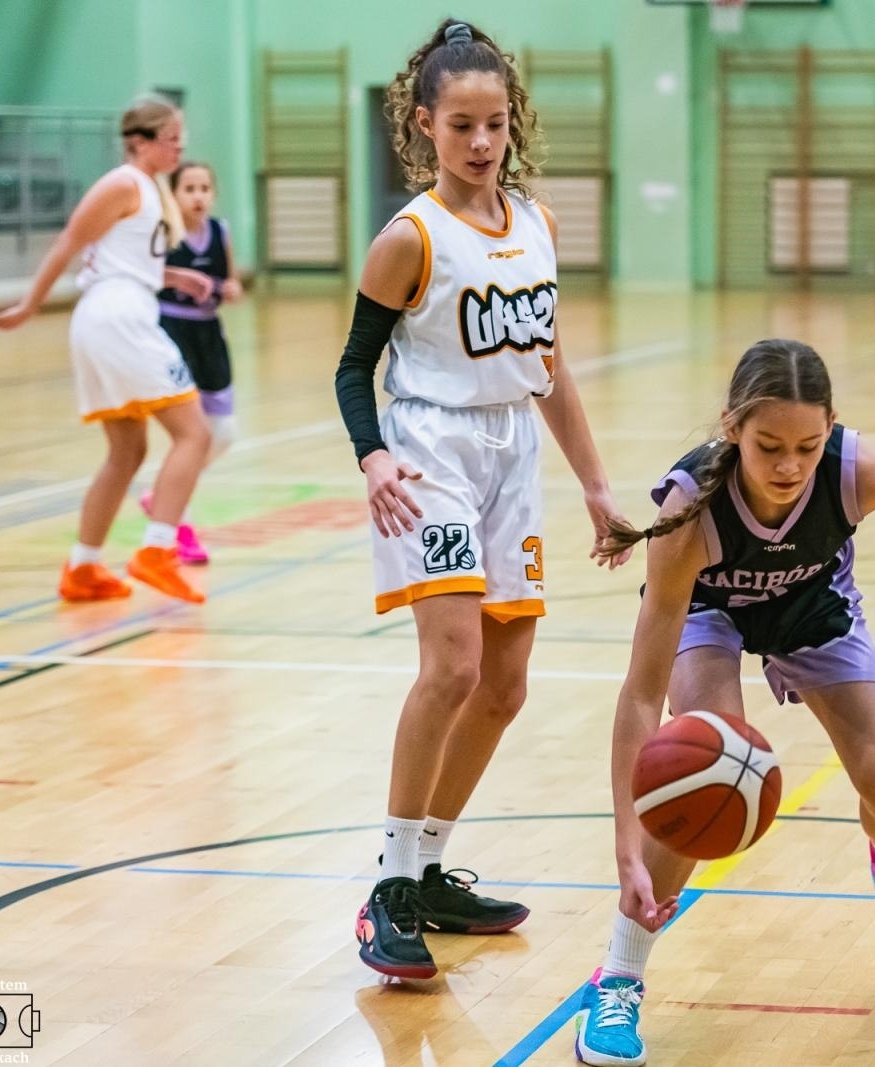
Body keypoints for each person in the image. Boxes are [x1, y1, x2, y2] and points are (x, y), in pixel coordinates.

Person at [571, 339, 875, 1067]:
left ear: (831, 428)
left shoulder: (858, 470)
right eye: (769, 447)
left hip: (812, 603)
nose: (790, 466)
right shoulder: (689, 511)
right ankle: (619, 974)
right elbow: (639, 695)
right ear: (732, 427)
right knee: (704, 778)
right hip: (709, 612)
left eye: (807, 445)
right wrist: (626, 842)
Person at [334, 18, 632, 980]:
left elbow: (547, 366)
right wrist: (373, 457)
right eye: (460, 124)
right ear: (424, 124)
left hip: (513, 456)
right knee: (453, 666)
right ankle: (387, 884)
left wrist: (594, 484)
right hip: (431, 452)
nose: (480, 142)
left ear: (512, 124)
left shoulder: (537, 224)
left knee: (505, 686)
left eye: (495, 123)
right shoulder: (409, 239)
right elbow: (352, 368)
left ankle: (426, 870)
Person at [0, 95, 211, 604]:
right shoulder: (123, 182)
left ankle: (83, 568)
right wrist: (29, 305)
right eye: (171, 138)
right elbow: (70, 242)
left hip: (113, 315)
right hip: (118, 319)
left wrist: (176, 277)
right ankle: (156, 550)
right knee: (193, 433)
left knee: (127, 450)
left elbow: (124, 259)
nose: (179, 147)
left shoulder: (149, 189)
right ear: (140, 141)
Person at [144, 160, 245, 564]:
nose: (198, 195)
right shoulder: (164, 232)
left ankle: (163, 495)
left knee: (224, 432)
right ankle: (180, 527)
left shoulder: (220, 232)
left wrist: (231, 288)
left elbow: (233, 280)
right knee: (192, 436)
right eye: (189, 188)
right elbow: (144, 276)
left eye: (205, 188)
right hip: (171, 333)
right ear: (173, 194)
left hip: (209, 335)